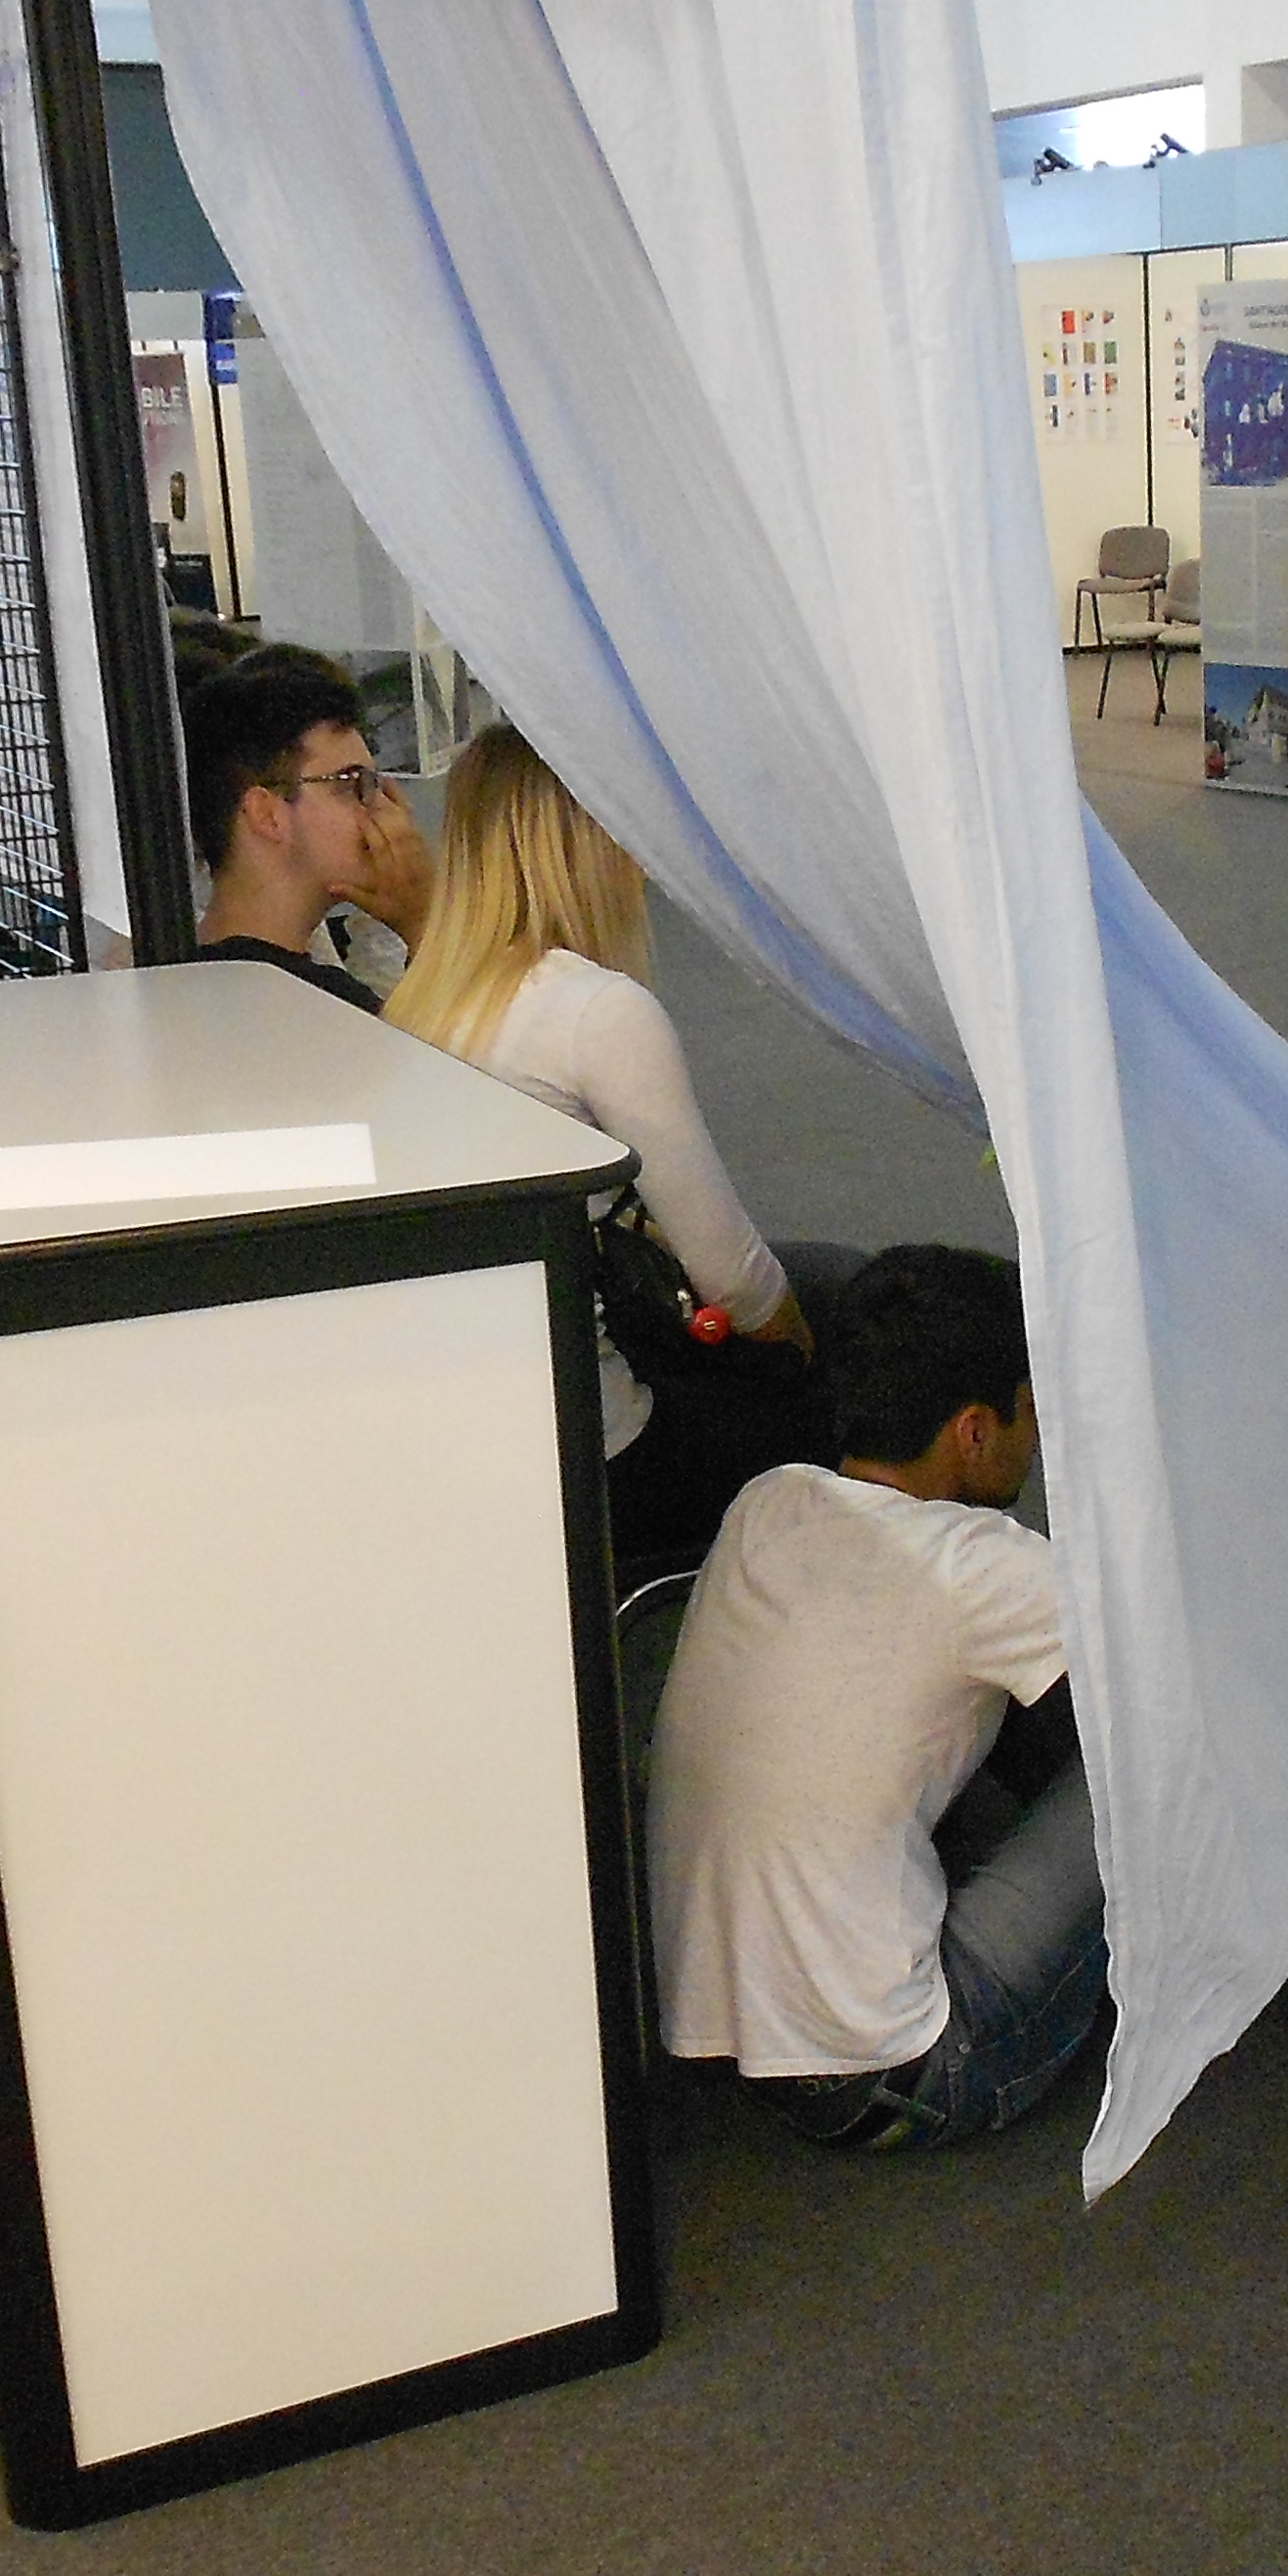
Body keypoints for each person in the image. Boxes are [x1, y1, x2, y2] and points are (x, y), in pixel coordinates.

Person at [647, 1244, 1104, 2150]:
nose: (1040, 1435)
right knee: (1155, 1771)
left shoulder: (768, 1502)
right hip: (899, 2072)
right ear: (974, 1430)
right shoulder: (987, 1572)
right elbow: (1183, 1687)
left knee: (972, 1689)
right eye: (1030, 1410)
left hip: (719, 2023)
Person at [384, 723, 826, 1554]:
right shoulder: (594, 1012)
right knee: (854, 1346)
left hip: (469, 1432)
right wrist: (805, 1353)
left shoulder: (418, 1002)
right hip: (603, 1448)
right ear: (584, 840)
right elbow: (734, 1278)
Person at [170, 648, 434, 1009]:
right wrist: (423, 923)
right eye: (352, 783)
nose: (388, 809)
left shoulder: (176, 981)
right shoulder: (321, 1009)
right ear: (266, 814)